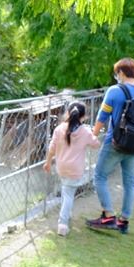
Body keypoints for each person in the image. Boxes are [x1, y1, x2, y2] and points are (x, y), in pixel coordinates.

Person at [86, 57, 134, 235]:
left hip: (115, 142)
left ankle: (108, 215)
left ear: (121, 73)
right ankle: (124, 221)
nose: (116, 76)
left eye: (117, 73)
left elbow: (103, 115)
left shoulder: (115, 90)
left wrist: (93, 134)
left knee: (99, 176)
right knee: (130, 182)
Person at [43, 101, 101, 237]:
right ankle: (63, 223)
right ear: (84, 117)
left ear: (67, 113)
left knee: (65, 189)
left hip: (61, 166)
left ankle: (67, 214)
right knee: (69, 193)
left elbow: (52, 148)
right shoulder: (85, 131)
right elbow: (96, 144)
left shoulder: (59, 129)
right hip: (75, 169)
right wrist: (93, 134)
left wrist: (47, 163)